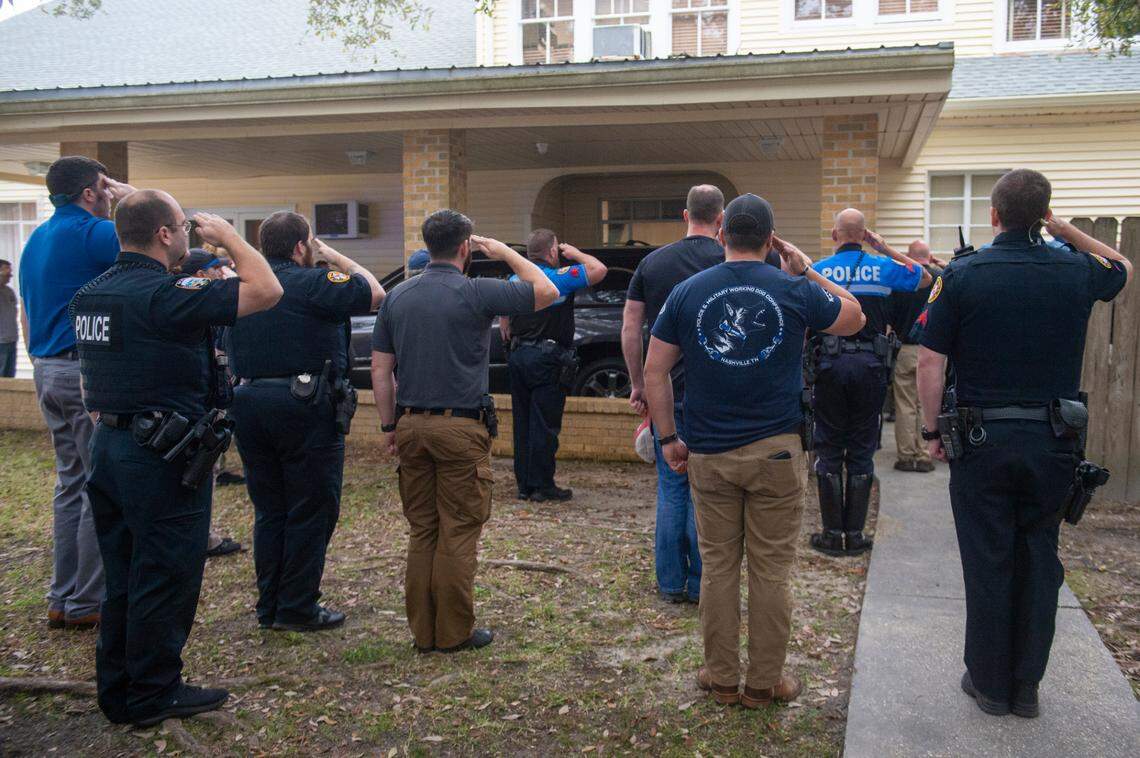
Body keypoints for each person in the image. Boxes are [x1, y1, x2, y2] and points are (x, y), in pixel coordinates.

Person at [917, 169, 1131, 719]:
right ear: (1044, 213)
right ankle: (1026, 686)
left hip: (982, 439)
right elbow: (1122, 268)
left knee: (988, 557)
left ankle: (989, 684)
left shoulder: (963, 275)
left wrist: (931, 430)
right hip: (1054, 438)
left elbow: (930, 361)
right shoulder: (1075, 270)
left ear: (993, 215)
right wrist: (1062, 229)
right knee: (1039, 557)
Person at [644, 193, 865, 709]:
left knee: (719, 567)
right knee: (770, 570)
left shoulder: (686, 293)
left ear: (721, 233)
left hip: (710, 452)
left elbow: (654, 370)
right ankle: (765, 684)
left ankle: (721, 678)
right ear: (770, 238)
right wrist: (807, 270)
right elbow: (854, 317)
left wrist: (669, 438)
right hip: (777, 453)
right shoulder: (792, 288)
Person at [73, 189, 282, 726]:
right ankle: (155, 693)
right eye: (184, 230)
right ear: (164, 234)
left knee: (122, 575)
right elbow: (265, 289)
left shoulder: (93, 294)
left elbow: (90, 379)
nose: (190, 238)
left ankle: (118, 690)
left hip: (109, 448)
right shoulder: (164, 294)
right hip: (160, 455)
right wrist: (230, 237)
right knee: (166, 572)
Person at [371, 210, 558, 654]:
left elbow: (382, 369)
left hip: (411, 424)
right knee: (458, 531)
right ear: (464, 247)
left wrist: (388, 425)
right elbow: (547, 290)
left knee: (423, 531)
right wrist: (505, 252)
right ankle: (453, 632)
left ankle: (423, 632)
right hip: (460, 427)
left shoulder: (398, 297)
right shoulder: (476, 292)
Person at [227, 213, 382, 632]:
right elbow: (375, 292)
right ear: (300, 247)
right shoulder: (313, 282)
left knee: (270, 508)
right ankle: (296, 606)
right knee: (311, 507)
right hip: (303, 406)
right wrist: (331, 255)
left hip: (249, 402)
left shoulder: (245, 287)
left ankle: (271, 604)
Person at [19, 156, 135, 629]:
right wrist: (131, 195)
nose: (109, 197)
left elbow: (28, 311)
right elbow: (166, 234)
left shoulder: (35, 239)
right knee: (98, 486)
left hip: (45, 368)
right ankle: (88, 601)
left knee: (69, 484)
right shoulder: (93, 233)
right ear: (91, 192)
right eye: (105, 189)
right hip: (82, 371)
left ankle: (60, 595)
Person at [621, 184, 725, 605]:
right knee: (708, 490)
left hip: (667, 390)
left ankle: (669, 582)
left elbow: (630, 328)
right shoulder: (730, 258)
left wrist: (638, 383)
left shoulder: (653, 262)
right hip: (717, 395)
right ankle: (701, 581)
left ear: (685, 216)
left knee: (672, 485)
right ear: (720, 220)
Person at [807, 209, 932, 557]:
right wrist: (884, 246)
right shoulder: (880, 267)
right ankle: (856, 536)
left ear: (835, 235)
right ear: (863, 235)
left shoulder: (818, 270)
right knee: (862, 450)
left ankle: (832, 535)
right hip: (871, 366)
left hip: (829, 366)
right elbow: (923, 278)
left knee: (829, 447)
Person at [501, 229, 607, 501]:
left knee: (522, 422)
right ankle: (542, 485)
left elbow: (503, 312)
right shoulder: (555, 277)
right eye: (557, 249)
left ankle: (524, 485)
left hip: (518, 355)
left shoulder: (514, 279)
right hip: (547, 359)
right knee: (545, 423)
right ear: (551, 252)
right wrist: (575, 254)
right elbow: (598, 269)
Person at [177, 249, 244, 559]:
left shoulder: (182, 301)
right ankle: (202, 539)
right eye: (217, 268)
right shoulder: (196, 305)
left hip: (200, 397)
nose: (222, 273)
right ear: (202, 275)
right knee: (201, 467)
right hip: (196, 404)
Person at [888, 240, 944, 473]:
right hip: (933, 350)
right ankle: (923, 454)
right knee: (926, 402)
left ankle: (905, 455)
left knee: (904, 404)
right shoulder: (940, 279)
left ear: (908, 256)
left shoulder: (901, 281)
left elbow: (889, 317)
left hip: (905, 349)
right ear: (929, 257)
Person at [0, 259, 16, 377]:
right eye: (6, 270)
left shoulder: (9, 291)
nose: (10, 274)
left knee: (9, 377)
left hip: (11, 339)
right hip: (1, 342)